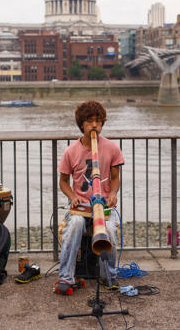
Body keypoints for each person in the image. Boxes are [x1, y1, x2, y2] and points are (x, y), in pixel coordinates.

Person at [54, 100, 124, 295]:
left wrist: (112, 193)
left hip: (103, 205)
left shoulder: (112, 148)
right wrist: (72, 196)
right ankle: (66, 277)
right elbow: (63, 182)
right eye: (90, 121)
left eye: (98, 121)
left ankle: (109, 276)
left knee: (109, 228)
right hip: (81, 206)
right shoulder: (70, 151)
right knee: (75, 224)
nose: (95, 125)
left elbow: (116, 178)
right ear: (81, 124)